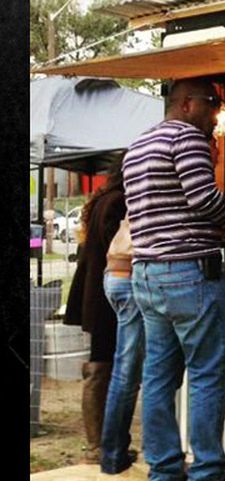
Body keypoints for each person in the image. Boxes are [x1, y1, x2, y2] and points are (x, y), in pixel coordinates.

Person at [124, 78, 225, 481]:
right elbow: (203, 198)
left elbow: (163, 212)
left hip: (146, 274)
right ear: (185, 104)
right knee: (206, 373)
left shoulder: (137, 146)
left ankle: (164, 469)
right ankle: (207, 471)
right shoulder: (187, 139)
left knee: (158, 377)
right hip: (191, 274)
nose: (217, 112)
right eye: (211, 103)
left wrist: (210, 226)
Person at [64, 157, 128, 469]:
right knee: (103, 369)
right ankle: (100, 446)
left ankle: (100, 445)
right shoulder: (118, 202)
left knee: (100, 366)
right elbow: (115, 248)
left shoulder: (103, 198)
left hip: (95, 294)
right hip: (107, 296)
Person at [100, 161, 144, 476]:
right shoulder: (139, 193)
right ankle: (113, 454)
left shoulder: (115, 196)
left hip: (114, 276)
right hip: (131, 277)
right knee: (128, 371)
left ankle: (114, 450)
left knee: (126, 368)